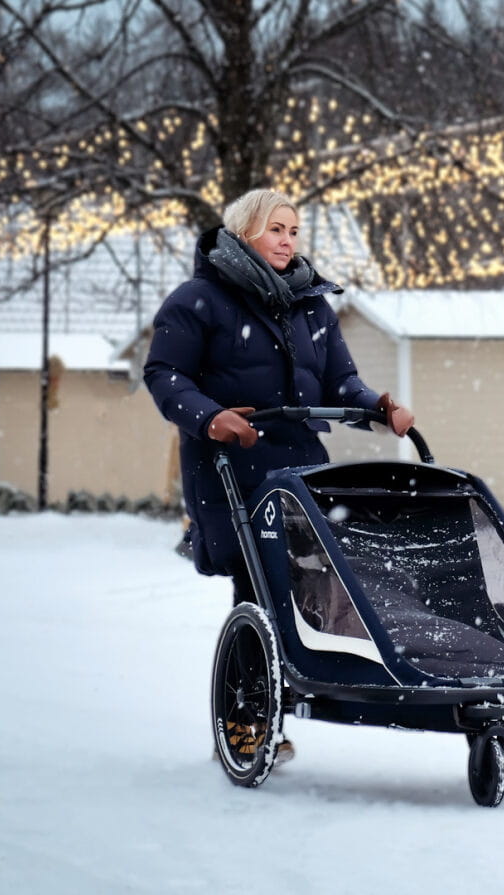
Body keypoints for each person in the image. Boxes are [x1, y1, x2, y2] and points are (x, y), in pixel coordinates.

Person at [144, 191, 415, 755]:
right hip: (230, 469)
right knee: (259, 586)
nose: (288, 240)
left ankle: (329, 685)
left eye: (293, 230)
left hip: (301, 471)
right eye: (275, 229)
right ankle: (248, 722)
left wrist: (378, 406)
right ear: (244, 232)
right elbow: (165, 374)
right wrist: (211, 416)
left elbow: (341, 382)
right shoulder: (199, 301)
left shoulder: (311, 306)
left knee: (318, 586)